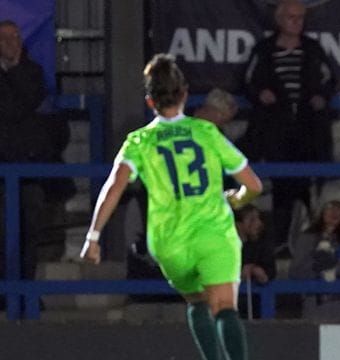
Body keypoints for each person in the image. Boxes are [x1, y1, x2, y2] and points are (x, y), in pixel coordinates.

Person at [80, 53, 262, 360]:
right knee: (224, 307)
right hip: (212, 233)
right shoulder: (206, 132)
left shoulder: (139, 141)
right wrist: (237, 199)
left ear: (150, 102)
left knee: (197, 302)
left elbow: (114, 186)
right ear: (185, 93)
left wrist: (93, 237)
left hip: (169, 241)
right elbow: (253, 185)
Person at [242, 0, 336, 255]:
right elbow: (247, 79)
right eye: (292, 18)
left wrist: (321, 97)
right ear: (279, 20)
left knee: (308, 188)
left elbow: (330, 79)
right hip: (275, 129)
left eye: (300, 18)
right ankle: (281, 242)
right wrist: (260, 93)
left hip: (308, 129)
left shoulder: (313, 49)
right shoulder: (264, 49)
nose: (297, 23)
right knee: (281, 187)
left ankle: (310, 244)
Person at [0, 20, 48, 285]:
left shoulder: (32, 72)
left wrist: (15, 69)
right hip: (2, 167)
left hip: (28, 167)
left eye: (16, 37)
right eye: (5, 38)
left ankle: (26, 290)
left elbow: (29, 100)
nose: (11, 43)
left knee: (29, 232)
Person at [235, 204, 276, 318]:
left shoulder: (262, 246)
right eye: (251, 219)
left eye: (258, 219)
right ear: (238, 224)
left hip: (256, 308)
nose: (257, 223)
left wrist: (258, 272)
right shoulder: (226, 248)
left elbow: (270, 273)